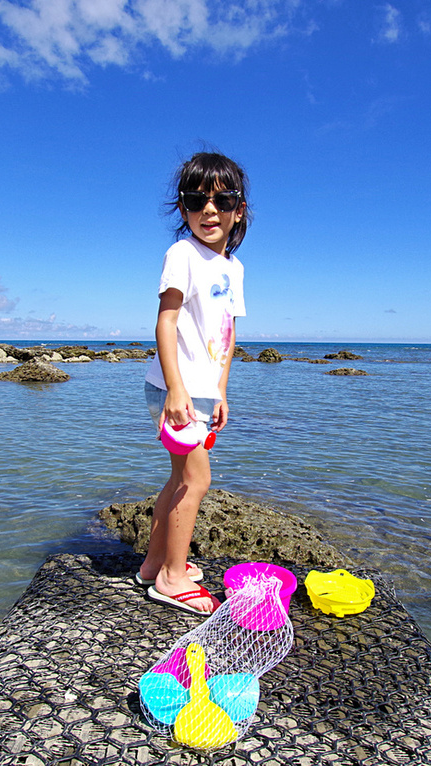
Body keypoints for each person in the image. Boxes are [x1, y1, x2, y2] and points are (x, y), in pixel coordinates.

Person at [139, 152, 251, 616]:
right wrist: (177, 389)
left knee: (179, 476)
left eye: (222, 200)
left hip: (204, 391)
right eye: (195, 200)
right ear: (182, 209)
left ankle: (153, 563)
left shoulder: (233, 269)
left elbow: (226, 333)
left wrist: (221, 390)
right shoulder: (183, 254)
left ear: (237, 209)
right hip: (175, 388)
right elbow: (166, 322)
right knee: (196, 478)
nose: (209, 210)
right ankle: (172, 576)